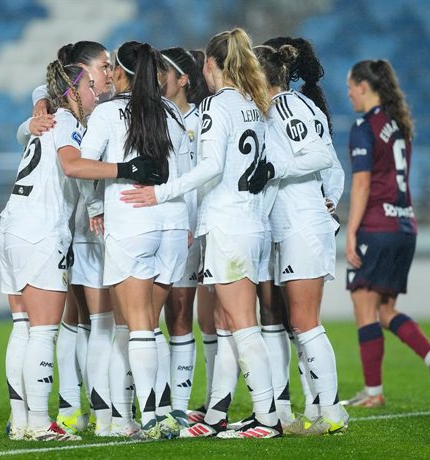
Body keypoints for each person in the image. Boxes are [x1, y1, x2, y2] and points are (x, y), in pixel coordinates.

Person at [122, 28, 282, 440]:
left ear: (209, 65)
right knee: (229, 324)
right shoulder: (254, 103)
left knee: (242, 324)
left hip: (229, 224)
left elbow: (210, 167)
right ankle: (216, 416)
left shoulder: (217, 106)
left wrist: (162, 191)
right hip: (251, 223)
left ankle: (267, 418)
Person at [62, 40, 191, 440]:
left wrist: (107, 188)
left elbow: (78, 166)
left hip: (133, 222)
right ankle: (164, 412)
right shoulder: (171, 110)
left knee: (135, 329)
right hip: (173, 223)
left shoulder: (109, 112)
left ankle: (147, 417)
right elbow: (188, 170)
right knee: (151, 328)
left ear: (120, 74)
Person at [11, 41, 116, 436]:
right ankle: (42, 421)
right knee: (47, 329)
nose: (107, 74)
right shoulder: (70, 120)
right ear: (79, 80)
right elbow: (73, 165)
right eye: (100, 70)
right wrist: (126, 169)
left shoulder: (52, 112)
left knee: (24, 325)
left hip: (15, 223)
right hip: (45, 229)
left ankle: (21, 420)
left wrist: (37, 107)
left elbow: (36, 113)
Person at [248, 43, 347, 435]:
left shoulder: (287, 107)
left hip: (301, 225)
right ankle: (310, 409)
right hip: (290, 224)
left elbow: (320, 154)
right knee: (294, 323)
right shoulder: (279, 108)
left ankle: (333, 412)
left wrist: (276, 167)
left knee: (305, 323)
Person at [343, 59, 430, 407]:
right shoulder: (398, 125)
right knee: (386, 309)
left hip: (376, 227)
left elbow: (361, 184)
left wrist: (351, 231)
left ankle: (373, 393)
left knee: (363, 304)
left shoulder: (364, 127)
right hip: (405, 226)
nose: (348, 94)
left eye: (350, 87)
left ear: (363, 86)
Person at [158, 46, 210, 423]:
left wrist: (193, 224)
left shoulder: (202, 119)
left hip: (188, 228)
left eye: (165, 71)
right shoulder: (155, 115)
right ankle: (152, 401)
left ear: (184, 79)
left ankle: (179, 403)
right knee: (147, 317)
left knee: (179, 314)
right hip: (154, 224)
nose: (159, 77)